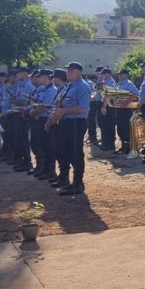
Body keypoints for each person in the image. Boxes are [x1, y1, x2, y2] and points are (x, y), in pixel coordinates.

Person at [54, 62, 92, 195]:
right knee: (64, 151)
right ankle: (64, 178)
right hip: (65, 122)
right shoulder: (68, 86)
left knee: (75, 153)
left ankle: (77, 183)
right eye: (67, 70)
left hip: (76, 123)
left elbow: (83, 108)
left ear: (79, 72)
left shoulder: (82, 87)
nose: (68, 72)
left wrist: (64, 111)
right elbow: (61, 103)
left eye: (71, 70)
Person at [46, 69, 71, 188]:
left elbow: (60, 108)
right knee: (58, 151)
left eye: (54, 78)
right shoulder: (60, 90)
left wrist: (51, 119)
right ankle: (62, 176)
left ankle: (64, 177)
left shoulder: (64, 90)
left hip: (61, 123)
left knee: (62, 151)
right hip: (56, 123)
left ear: (58, 78)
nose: (52, 80)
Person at [10, 67, 35, 172]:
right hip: (19, 113)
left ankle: (28, 163)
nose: (17, 75)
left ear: (25, 73)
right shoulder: (22, 85)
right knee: (20, 139)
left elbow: (27, 102)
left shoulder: (28, 85)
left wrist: (16, 100)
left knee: (24, 139)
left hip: (25, 114)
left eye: (19, 73)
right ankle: (24, 161)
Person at [112, 69, 139, 155]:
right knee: (120, 129)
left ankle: (128, 148)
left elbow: (136, 94)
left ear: (126, 75)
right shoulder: (118, 84)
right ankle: (123, 146)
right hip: (118, 108)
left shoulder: (129, 84)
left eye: (121, 74)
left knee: (125, 129)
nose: (119, 76)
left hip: (126, 109)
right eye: (119, 74)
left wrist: (127, 102)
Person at [97, 68, 117, 151]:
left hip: (108, 105)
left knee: (109, 125)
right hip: (105, 104)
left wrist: (104, 106)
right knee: (104, 124)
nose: (101, 75)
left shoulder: (110, 82)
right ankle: (105, 142)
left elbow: (108, 95)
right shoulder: (105, 81)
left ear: (108, 74)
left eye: (103, 74)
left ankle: (110, 144)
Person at [88, 66, 104, 145]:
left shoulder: (104, 81)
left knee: (103, 122)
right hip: (96, 101)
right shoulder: (99, 80)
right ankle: (102, 138)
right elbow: (96, 91)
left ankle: (104, 139)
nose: (97, 74)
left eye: (98, 73)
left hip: (102, 102)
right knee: (99, 121)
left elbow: (103, 93)